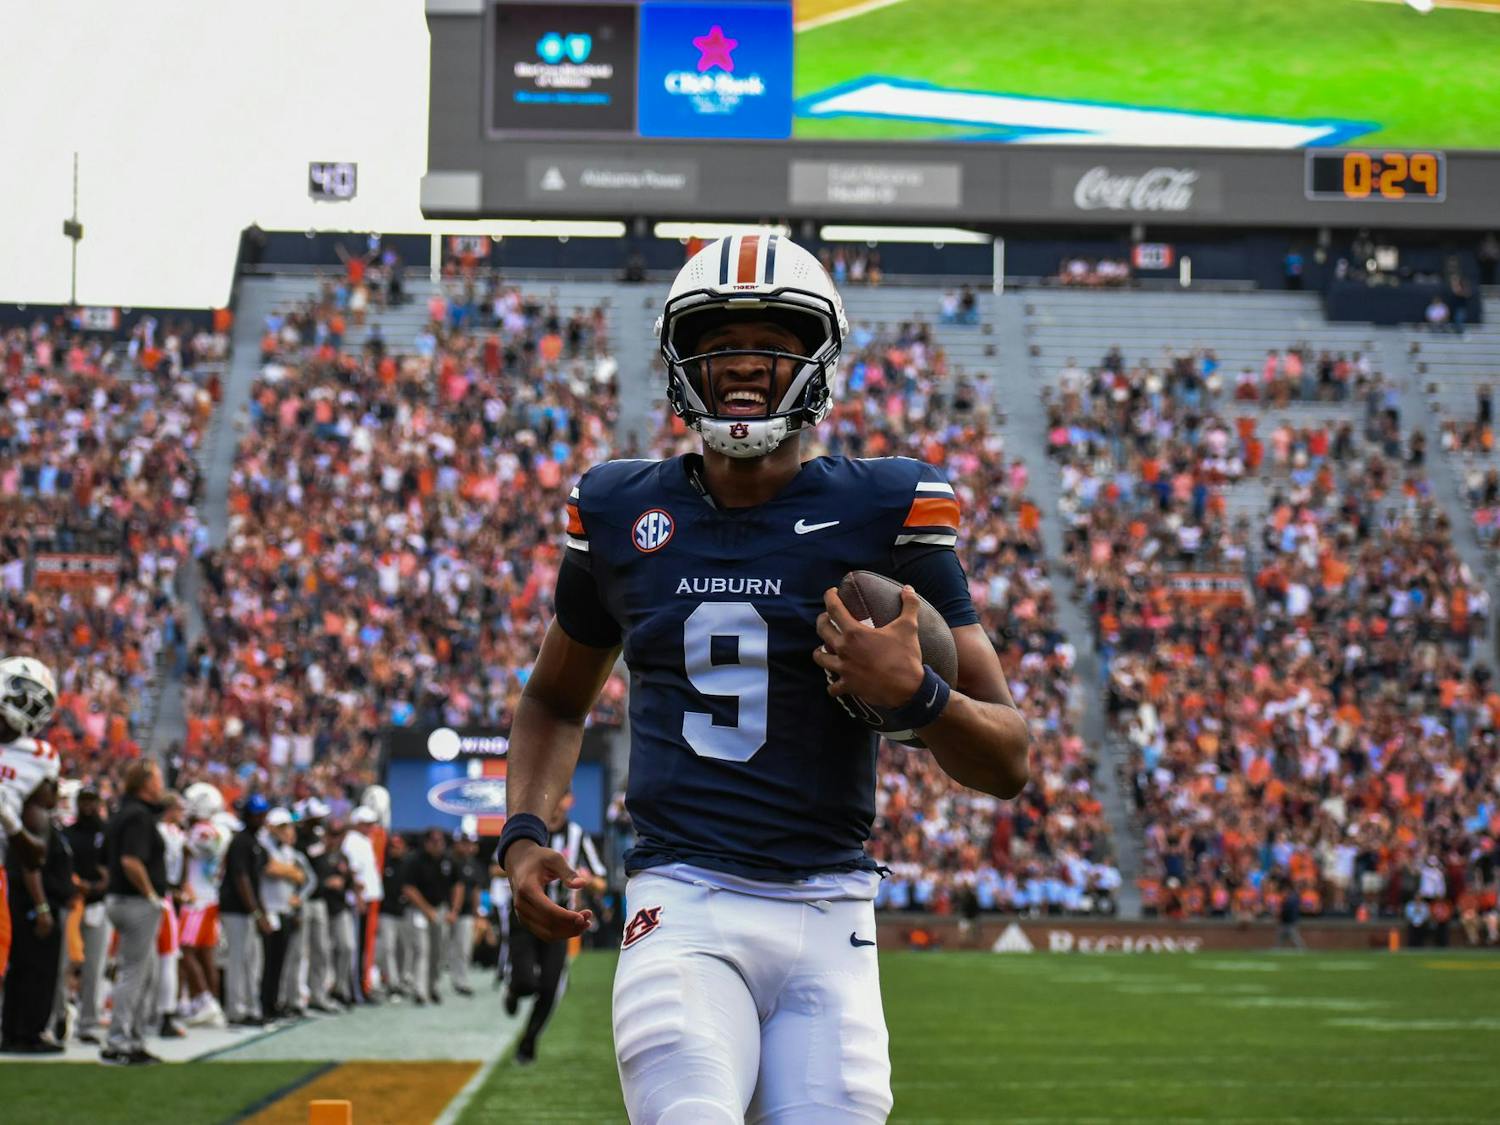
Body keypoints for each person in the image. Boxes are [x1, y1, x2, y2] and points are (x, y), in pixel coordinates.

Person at [497, 233, 1029, 1120]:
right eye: (719, 343)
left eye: (771, 343)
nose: (743, 365)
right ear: (681, 360)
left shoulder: (888, 509)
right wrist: (521, 833)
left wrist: (919, 696)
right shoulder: (622, 509)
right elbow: (555, 697)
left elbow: (1010, 758)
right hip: (684, 898)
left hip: (832, 911)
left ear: (816, 359)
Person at [503, 791, 605, 1065]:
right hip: (524, 913)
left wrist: (588, 880)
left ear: (569, 800)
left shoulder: (578, 835)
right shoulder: (526, 832)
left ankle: (528, 1043)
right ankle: (514, 990)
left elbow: (600, 880)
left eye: (561, 796)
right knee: (526, 982)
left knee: (549, 988)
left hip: (559, 918)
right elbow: (497, 866)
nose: (555, 804)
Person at [102, 759, 168, 1065]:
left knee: (145, 973)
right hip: (134, 902)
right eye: (157, 778)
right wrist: (151, 894)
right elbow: (131, 861)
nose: (161, 783)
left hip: (118, 898)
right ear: (145, 782)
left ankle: (134, 1038)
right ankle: (120, 1041)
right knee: (134, 974)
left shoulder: (121, 812)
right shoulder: (138, 816)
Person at [1, 778, 70, 1053]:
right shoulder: (33, 819)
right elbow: (32, 866)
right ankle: (28, 1033)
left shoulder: (32, 820)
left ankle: (16, 1031)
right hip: (34, 908)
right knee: (36, 971)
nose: (55, 795)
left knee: (25, 970)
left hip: (31, 905)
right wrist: (42, 907)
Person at [178, 783, 229, 1028]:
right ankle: (212, 1003)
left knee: (185, 951)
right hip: (209, 896)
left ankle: (204, 1000)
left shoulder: (200, 832)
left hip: (196, 900)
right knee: (206, 954)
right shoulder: (219, 830)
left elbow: (185, 854)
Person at [64, 785, 111, 1043]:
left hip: (97, 904)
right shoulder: (68, 833)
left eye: (92, 801)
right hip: (72, 902)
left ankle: (88, 1022)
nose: (88, 806)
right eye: (84, 801)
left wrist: (98, 885)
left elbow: (112, 868)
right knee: (66, 963)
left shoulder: (106, 833)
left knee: (95, 965)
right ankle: (59, 1016)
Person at [219, 795, 271, 1025]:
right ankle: (236, 1011)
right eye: (257, 814)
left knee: (251, 960)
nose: (261, 818)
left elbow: (255, 880)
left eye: (263, 814)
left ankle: (251, 1007)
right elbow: (241, 879)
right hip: (235, 909)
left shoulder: (255, 842)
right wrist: (257, 913)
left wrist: (261, 911)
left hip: (248, 910)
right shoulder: (241, 841)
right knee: (238, 960)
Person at [259, 808, 307, 1022]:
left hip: (284, 909)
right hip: (268, 909)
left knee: (280, 961)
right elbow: (270, 868)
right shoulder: (263, 843)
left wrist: (287, 871)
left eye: (287, 827)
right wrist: (289, 871)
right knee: (265, 961)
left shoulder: (287, 850)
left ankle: (274, 1002)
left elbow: (301, 875)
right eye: (281, 827)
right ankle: (262, 1004)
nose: (286, 831)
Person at [401, 828, 455, 1005]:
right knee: (421, 950)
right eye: (434, 842)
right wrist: (427, 910)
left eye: (440, 842)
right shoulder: (415, 860)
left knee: (437, 952)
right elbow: (408, 888)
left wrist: (453, 909)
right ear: (426, 843)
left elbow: (458, 884)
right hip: (419, 910)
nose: (438, 845)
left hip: (439, 908)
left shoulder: (447, 859)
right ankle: (420, 990)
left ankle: (433, 987)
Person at [447, 830, 484, 997]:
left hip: (466, 912)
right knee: (441, 947)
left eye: (470, 843)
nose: (468, 847)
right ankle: (440, 979)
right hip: (446, 910)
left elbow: (476, 889)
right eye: (465, 843)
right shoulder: (448, 860)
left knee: (464, 948)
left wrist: (477, 912)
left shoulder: (473, 864)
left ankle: (461, 980)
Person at [376, 832, 408, 999]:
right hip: (387, 912)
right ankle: (392, 983)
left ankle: (402, 979)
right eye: (392, 846)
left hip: (403, 912)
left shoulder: (407, 865)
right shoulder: (383, 863)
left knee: (404, 949)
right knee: (387, 948)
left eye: (398, 846)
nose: (395, 849)